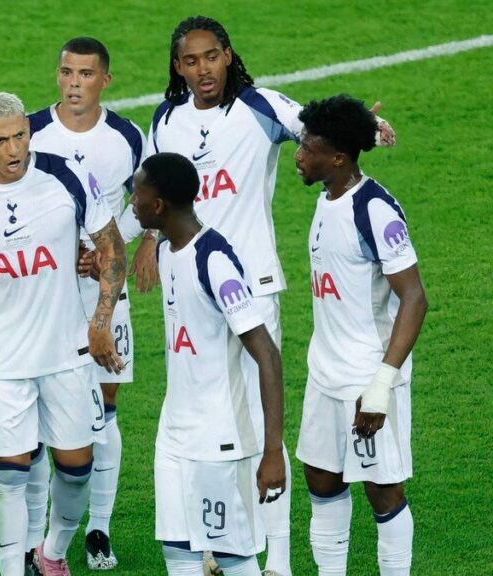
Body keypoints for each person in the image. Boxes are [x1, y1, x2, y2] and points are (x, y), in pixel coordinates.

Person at [147, 16, 395, 576]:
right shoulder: (166, 119)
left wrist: (367, 131)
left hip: (251, 285)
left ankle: (275, 562)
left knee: (261, 423)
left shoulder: (260, 107)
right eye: (190, 61)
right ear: (177, 67)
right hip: (186, 288)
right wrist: (143, 239)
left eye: (211, 56)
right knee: (205, 416)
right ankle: (214, 544)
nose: (202, 69)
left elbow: (318, 129)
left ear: (229, 56)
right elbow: (153, 187)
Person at [0, 92, 127, 576]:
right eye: (1, 140)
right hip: (1, 360)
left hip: (66, 352)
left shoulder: (65, 177)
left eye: (20, 136)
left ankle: (52, 552)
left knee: (77, 468)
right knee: (9, 477)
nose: (14, 149)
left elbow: (112, 247)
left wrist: (101, 322)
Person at [129, 152, 285, 576]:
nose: (132, 202)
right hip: (174, 434)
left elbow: (267, 354)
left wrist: (273, 452)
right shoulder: (166, 251)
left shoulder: (213, 260)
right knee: (178, 553)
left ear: (158, 205)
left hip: (219, 440)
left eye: (137, 194)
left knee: (233, 558)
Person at [27, 36, 149, 571]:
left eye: (85, 74)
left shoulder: (126, 136)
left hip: (105, 287)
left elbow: (148, 201)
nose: (74, 84)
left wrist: (110, 250)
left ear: (105, 80)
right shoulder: (30, 131)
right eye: (66, 72)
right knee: (39, 415)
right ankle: (38, 536)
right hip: (44, 291)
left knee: (106, 409)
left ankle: (98, 527)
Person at [294, 95, 426, 576]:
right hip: (324, 374)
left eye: (308, 147)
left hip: (366, 380)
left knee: (383, 490)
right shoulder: (327, 196)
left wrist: (381, 385)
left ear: (338, 158)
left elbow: (415, 299)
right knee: (322, 482)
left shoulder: (376, 211)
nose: (299, 153)